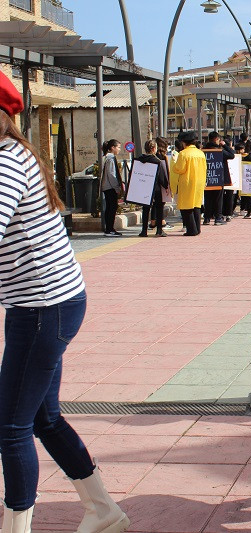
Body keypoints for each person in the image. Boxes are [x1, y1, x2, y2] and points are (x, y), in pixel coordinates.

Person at [0, 73, 129, 533]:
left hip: (41, 309)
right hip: (47, 303)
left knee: (11, 426)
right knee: (43, 418)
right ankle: (103, 510)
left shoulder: (5, 163)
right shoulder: (18, 154)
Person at [172, 131, 207, 236]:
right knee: (196, 205)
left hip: (187, 181)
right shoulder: (200, 153)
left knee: (186, 206)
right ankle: (197, 228)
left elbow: (180, 169)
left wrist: (174, 163)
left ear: (184, 142)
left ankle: (191, 230)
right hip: (199, 182)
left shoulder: (183, 154)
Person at [136, 139, 169, 237]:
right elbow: (161, 177)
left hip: (144, 187)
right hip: (156, 188)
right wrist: (166, 186)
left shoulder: (139, 160)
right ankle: (159, 230)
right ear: (154, 148)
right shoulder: (156, 161)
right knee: (159, 208)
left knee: (145, 209)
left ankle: (144, 231)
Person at [202, 131, 234, 225]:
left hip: (207, 177)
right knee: (218, 199)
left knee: (207, 198)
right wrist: (225, 145)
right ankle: (218, 218)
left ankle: (207, 218)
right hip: (218, 177)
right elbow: (232, 154)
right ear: (216, 139)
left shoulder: (204, 150)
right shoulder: (219, 151)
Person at [100, 139, 123, 236]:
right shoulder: (110, 158)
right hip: (110, 187)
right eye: (118, 147)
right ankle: (109, 229)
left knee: (109, 208)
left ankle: (109, 229)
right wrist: (117, 188)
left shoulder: (107, 158)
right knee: (111, 208)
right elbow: (111, 174)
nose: (119, 149)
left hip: (107, 187)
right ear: (112, 148)